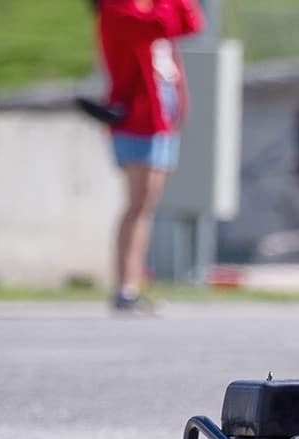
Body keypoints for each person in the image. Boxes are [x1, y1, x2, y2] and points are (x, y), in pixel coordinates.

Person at [91, 0, 205, 311]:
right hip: (138, 118)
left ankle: (133, 284)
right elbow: (161, 26)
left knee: (146, 205)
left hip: (161, 117)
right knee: (138, 203)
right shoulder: (118, 9)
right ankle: (125, 286)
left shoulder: (150, 7)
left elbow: (193, 23)